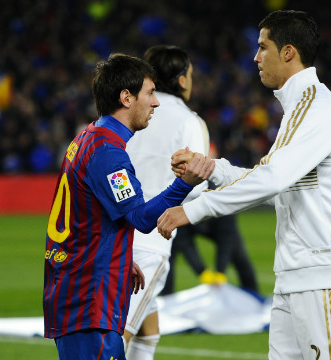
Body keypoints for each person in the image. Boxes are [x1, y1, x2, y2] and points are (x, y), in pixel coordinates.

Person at [158, 10, 331, 360]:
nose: (255, 57)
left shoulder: (315, 106)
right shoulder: (298, 110)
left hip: (327, 281)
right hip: (297, 279)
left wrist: (193, 209)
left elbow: (270, 180)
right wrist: (212, 168)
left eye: (263, 48)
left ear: (288, 52)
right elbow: (273, 179)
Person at [42, 53, 214, 360]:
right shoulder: (108, 152)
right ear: (126, 97)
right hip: (89, 297)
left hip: (77, 285)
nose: (156, 102)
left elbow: (90, 212)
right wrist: (184, 183)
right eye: (149, 93)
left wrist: (118, 257)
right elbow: (140, 218)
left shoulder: (88, 137)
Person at [123, 45, 211, 359]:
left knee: (148, 331)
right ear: (183, 79)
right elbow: (196, 185)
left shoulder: (130, 111)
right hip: (149, 242)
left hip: (117, 228)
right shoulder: (189, 121)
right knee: (119, 334)